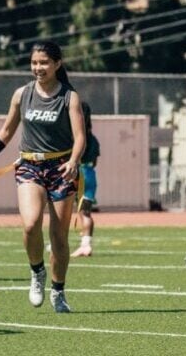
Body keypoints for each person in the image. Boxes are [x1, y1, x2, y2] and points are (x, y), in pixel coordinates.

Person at [0, 41, 85, 314]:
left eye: (44, 62)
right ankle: (37, 272)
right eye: (34, 63)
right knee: (31, 224)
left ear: (57, 64)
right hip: (29, 167)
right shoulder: (21, 94)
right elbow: (6, 131)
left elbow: (80, 137)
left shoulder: (70, 97)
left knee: (59, 238)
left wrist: (73, 161)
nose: (38, 68)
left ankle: (58, 290)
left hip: (61, 169)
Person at [71, 101, 100, 257]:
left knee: (69, 209)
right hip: (90, 173)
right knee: (86, 212)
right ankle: (86, 244)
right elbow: (95, 161)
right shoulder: (93, 138)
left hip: (77, 172)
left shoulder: (75, 136)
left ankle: (57, 242)